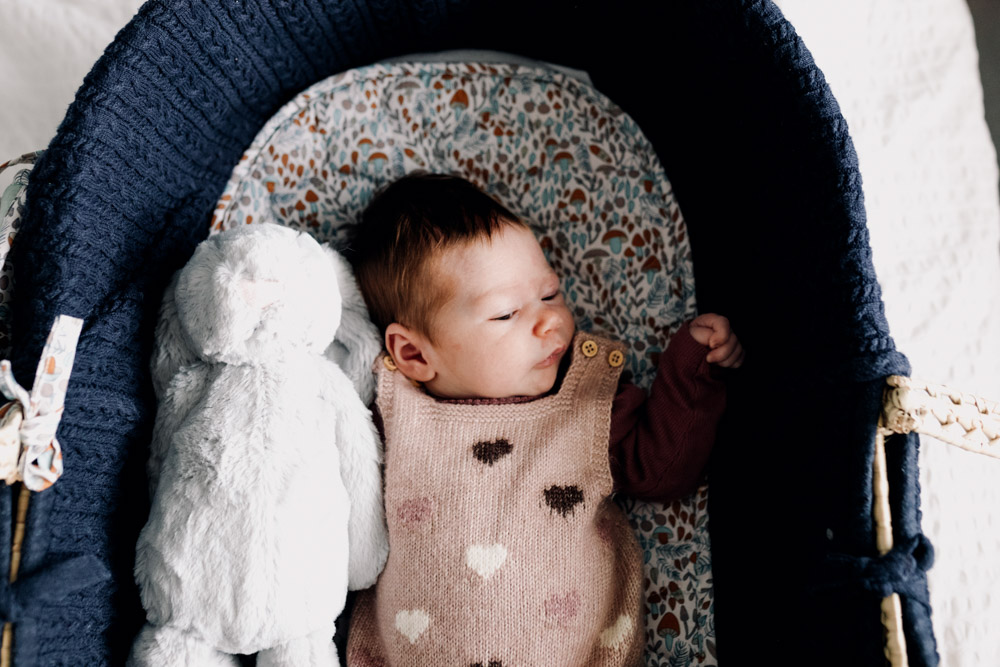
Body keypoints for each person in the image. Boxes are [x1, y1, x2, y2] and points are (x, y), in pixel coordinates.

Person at [344, 173, 743, 666]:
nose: (549, 320)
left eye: (550, 294)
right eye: (506, 313)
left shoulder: (586, 408)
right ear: (413, 353)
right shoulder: (391, 418)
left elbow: (663, 470)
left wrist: (689, 369)